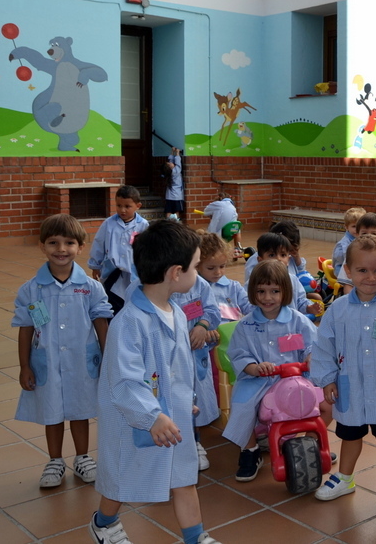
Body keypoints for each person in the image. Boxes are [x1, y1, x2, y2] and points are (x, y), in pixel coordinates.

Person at [91, 219, 222, 544]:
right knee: (124, 477)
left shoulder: (176, 312)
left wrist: (184, 400)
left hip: (172, 417)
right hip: (137, 418)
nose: (198, 274)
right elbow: (125, 382)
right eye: (195, 266)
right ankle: (104, 522)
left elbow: (178, 367)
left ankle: (195, 537)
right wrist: (152, 416)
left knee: (184, 477)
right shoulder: (129, 323)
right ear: (176, 272)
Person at [311, 236, 376, 509]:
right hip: (351, 386)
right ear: (348, 270)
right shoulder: (338, 310)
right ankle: (345, 478)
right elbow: (323, 346)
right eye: (362, 270)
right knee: (350, 434)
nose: (370, 277)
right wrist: (327, 379)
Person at [13, 214, 112, 488]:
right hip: (47, 362)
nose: (61, 249)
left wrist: (108, 358)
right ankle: (55, 461)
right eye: (53, 242)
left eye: (69, 243)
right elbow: (25, 328)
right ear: (42, 246)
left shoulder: (91, 288)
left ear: (80, 248)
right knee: (52, 411)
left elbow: (101, 324)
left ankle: (83, 457)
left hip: (82, 361)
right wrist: (25, 366)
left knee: (81, 409)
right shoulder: (31, 290)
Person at [223, 260, 324, 482]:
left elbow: (312, 345)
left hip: (296, 378)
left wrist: (310, 356)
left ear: (285, 291)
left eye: (275, 291)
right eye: (261, 291)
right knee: (242, 407)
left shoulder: (297, 320)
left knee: (327, 404)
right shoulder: (246, 326)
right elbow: (239, 355)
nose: (267, 297)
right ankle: (250, 450)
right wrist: (255, 368)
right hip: (259, 381)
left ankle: (311, 443)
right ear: (252, 292)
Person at [170, 262, 223, 472]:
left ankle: (195, 442)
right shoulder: (157, 285)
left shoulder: (200, 284)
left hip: (195, 353)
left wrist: (202, 326)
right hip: (169, 356)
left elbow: (212, 309)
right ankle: (176, 444)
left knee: (195, 399)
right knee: (172, 398)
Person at [89, 185, 149, 314]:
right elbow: (99, 244)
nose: (122, 210)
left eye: (127, 206)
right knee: (113, 303)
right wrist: (95, 265)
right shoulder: (108, 223)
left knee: (133, 301)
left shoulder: (143, 225)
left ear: (138, 206)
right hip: (112, 271)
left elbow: (147, 249)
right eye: (119, 205)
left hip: (133, 272)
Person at [245, 232, 322, 319]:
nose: (278, 259)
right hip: (263, 324)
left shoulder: (292, 279)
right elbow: (247, 304)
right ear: (260, 260)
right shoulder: (254, 281)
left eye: (283, 255)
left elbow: (300, 300)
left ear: (288, 259)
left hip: (290, 324)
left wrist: (308, 307)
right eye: (271, 255)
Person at [198, 231, 252, 321]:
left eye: (222, 266)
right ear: (197, 265)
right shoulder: (194, 290)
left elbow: (249, 306)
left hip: (233, 329)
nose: (218, 272)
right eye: (211, 268)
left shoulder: (233, 287)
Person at [332, 207, 366, 276]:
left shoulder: (364, 239)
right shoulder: (343, 245)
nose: (357, 229)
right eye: (354, 226)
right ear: (347, 227)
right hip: (342, 269)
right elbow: (341, 262)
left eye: (360, 226)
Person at [165, 147, 185, 222]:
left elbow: (171, 161)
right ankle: (176, 222)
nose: (170, 163)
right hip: (177, 196)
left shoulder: (168, 172)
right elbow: (178, 164)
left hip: (169, 196)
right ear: (170, 167)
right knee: (177, 211)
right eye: (169, 164)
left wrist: (172, 152)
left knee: (169, 210)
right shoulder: (176, 172)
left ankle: (168, 222)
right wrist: (177, 153)